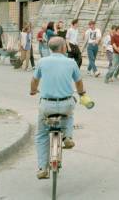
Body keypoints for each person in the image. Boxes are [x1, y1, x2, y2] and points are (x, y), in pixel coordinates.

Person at [30, 36, 86, 179]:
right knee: (70, 112)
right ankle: (67, 136)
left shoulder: (42, 61)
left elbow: (34, 80)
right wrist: (82, 94)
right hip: (65, 103)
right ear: (62, 48)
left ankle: (42, 167)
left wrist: (32, 90)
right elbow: (79, 83)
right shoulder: (71, 62)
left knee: (42, 135)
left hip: (47, 105)